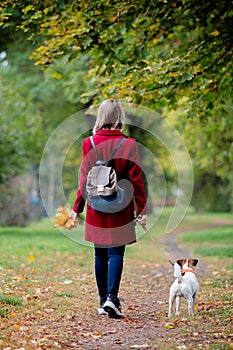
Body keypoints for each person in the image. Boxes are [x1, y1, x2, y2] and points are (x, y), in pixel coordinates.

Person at [71, 99, 148, 318]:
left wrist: (77, 208)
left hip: (96, 205)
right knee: (116, 253)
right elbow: (136, 180)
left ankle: (103, 300)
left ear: (101, 117)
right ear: (119, 118)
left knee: (100, 254)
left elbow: (84, 177)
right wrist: (141, 209)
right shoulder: (129, 144)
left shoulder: (89, 143)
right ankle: (111, 299)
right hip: (120, 205)